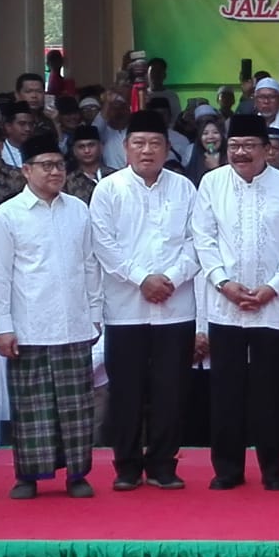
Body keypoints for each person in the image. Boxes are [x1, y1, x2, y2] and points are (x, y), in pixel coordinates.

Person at [191, 114, 279, 492]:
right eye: (234, 147)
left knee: (270, 391)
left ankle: (273, 470)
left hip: (272, 306)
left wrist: (272, 288)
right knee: (225, 390)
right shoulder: (211, 183)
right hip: (225, 304)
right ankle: (227, 469)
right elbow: (203, 238)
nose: (240, 153)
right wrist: (223, 283)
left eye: (249, 146)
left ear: (267, 150)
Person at [0, 135, 102, 499]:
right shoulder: (7, 215)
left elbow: (90, 266)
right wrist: (2, 326)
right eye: (46, 165)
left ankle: (77, 475)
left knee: (77, 407)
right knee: (32, 407)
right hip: (29, 326)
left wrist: (95, 314)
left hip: (74, 323)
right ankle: (28, 476)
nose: (55, 172)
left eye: (59, 165)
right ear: (25, 170)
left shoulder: (78, 210)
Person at [90, 109, 200, 491]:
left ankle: (163, 465)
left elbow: (196, 241)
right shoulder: (108, 189)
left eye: (155, 143)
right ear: (125, 147)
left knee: (171, 390)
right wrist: (142, 279)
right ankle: (126, 466)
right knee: (126, 390)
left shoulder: (184, 188)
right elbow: (103, 244)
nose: (147, 150)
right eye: (139, 143)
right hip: (125, 308)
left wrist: (169, 278)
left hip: (175, 307)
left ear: (168, 148)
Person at [63, 125, 117, 206]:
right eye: (81, 147)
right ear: (74, 151)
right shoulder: (67, 182)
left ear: (101, 147)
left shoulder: (116, 176)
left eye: (91, 145)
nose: (87, 150)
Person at [186, 116, 227, 187]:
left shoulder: (231, 160)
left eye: (215, 132)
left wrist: (215, 168)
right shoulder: (195, 162)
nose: (210, 136)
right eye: (205, 133)